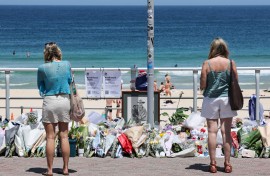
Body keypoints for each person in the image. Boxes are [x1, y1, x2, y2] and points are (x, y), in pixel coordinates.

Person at [200, 37, 238, 173]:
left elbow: (203, 85)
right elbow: (235, 82)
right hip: (227, 99)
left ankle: (213, 164)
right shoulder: (230, 63)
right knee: (226, 132)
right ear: (225, 49)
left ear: (213, 49)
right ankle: (227, 164)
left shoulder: (207, 63)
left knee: (212, 131)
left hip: (211, 99)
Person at [37, 42, 72, 176]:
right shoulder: (67, 64)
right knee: (64, 136)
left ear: (46, 53)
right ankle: (65, 169)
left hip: (50, 100)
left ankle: (50, 170)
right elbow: (69, 81)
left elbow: (41, 88)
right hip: (64, 100)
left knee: (50, 137)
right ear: (58, 52)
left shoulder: (42, 68)